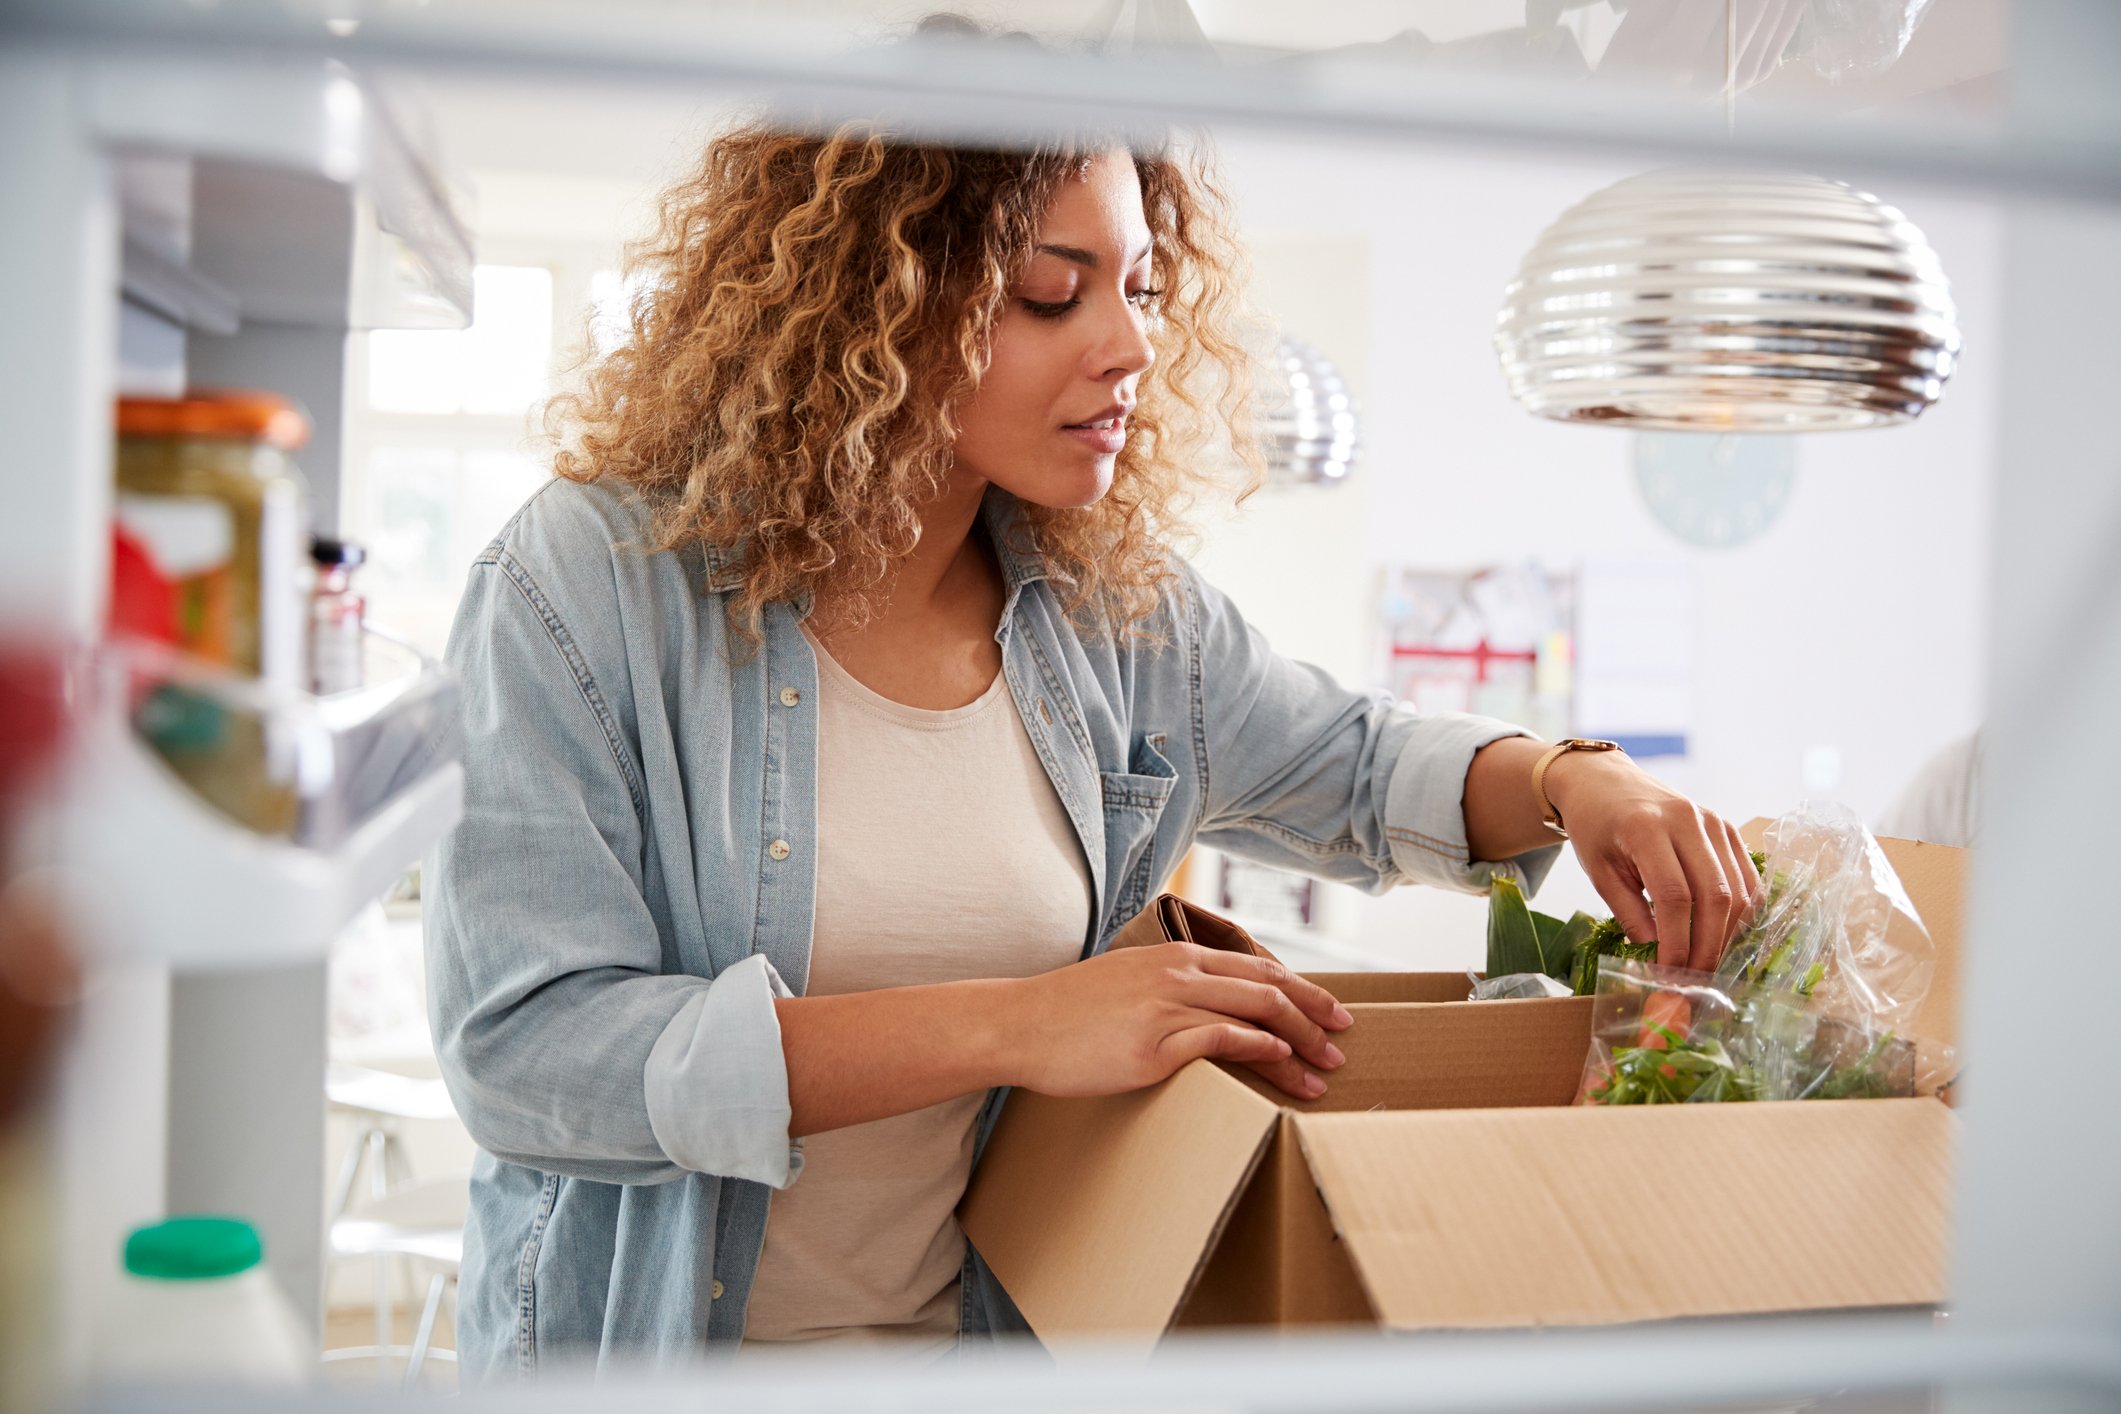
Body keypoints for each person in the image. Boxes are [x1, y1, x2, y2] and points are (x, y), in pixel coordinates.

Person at [426, 107, 1763, 1378]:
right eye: (1051, 292)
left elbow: (1356, 765)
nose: (1127, 346)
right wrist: (1020, 1024)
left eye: (1140, 288)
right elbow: (528, 1055)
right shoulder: (587, 579)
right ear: (870, 302)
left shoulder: (1110, 615)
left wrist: (1574, 777)